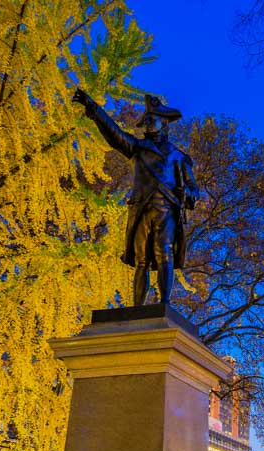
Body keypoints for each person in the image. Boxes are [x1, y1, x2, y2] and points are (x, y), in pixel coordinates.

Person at [72, 89, 199, 306]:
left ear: (164, 123)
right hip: (141, 209)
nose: (148, 123)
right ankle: (137, 307)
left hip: (166, 209)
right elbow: (113, 133)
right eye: (146, 119)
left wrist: (187, 194)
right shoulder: (137, 147)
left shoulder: (178, 156)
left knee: (164, 252)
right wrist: (92, 106)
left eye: (152, 119)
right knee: (141, 260)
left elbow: (194, 190)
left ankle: (164, 304)